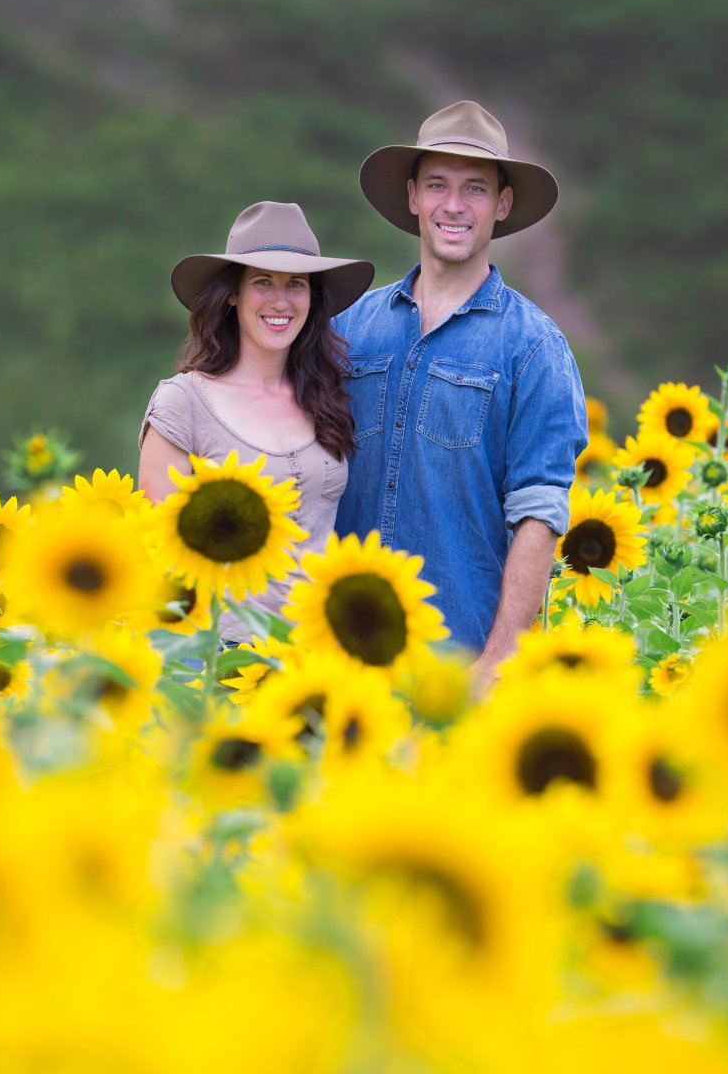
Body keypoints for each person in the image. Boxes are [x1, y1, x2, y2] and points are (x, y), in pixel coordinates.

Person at [334, 100, 588, 684]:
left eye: (475, 188)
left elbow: (539, 515)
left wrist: (496, 665)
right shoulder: (348, 331)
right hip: (342, 661)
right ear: (412, 197)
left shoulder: (534, 348)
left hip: (457, 667)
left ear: (502, 204)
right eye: (437, 185)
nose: (454, 205)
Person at [138, 200, 374, 643]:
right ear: (232, 293)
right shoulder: (184, 402)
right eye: (262, 282)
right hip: (217, 656)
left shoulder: (326, 398)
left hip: (312, 651)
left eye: (296, 284)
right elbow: (160, 553)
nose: (280, 301)